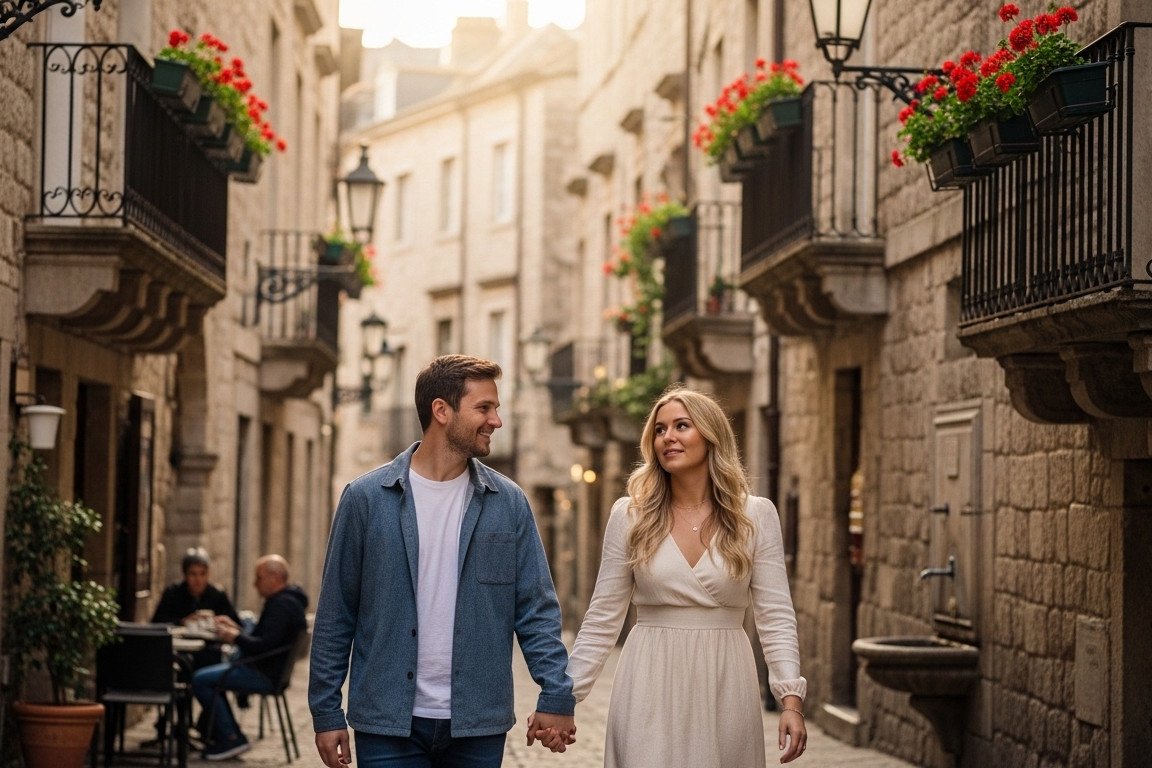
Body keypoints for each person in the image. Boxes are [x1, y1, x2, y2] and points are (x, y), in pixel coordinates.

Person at [309, 354, 575, 768]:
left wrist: (556, 692)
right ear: (441, 411)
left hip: (477, 724)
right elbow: (336, 613)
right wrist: (326, 712)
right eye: (484, 408)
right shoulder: (365, 499)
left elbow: (536, 610)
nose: (496, 421)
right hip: (387, 722)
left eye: (496, 408)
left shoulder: (509, 504)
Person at [559, 386, 808, 766]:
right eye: (659, 430)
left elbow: (776, 616)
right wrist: (563, 698)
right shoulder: (630, 515)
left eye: (681, 426)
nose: (667, 438)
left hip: (726, 678)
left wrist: (790, 699)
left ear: (710, 437)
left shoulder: (755, 515)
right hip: (648, 674)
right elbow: (601, 619)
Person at [191, 554, 309, 761]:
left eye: (259, 578)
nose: (255, 584)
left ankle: (231, 737)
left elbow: (262, 647)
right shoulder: (286, 601)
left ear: (274, 578)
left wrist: (234, 637)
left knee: (201, 679)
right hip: (267, 670)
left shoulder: (282, 605)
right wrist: (235, 628)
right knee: (211, 673)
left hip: (263, 673)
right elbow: (261, 638)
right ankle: (219, 732)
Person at [151, 547, 241, 670]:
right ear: (185, 575)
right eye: (193, 574)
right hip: (180, 649)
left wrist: (217, 623)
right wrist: (183, 621)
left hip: (210, 647)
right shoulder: (173, 592)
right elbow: (157, 622)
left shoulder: (217, 594)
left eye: (202, 574)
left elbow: (236, 624)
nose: (198, 580)